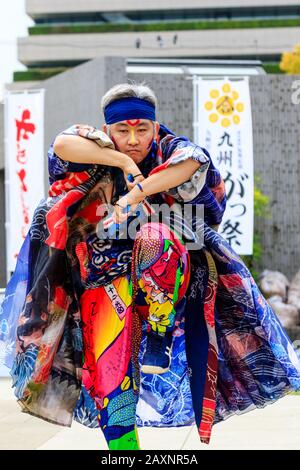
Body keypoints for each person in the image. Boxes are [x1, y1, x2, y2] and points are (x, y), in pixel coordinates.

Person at [1, 82, 300, 451]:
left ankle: (158, 328)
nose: (133, 138)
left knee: (155, 234)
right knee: (112, 380)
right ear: (107, 129)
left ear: (155, 127)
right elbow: (61, 144)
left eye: (142, 128)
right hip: (105, 282)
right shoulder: (98, 151)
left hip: (167, 277)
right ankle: (126, 454)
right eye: (122, 130)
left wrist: (135, 193)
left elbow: (195, 162)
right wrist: (122, 162)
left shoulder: (171, 150)